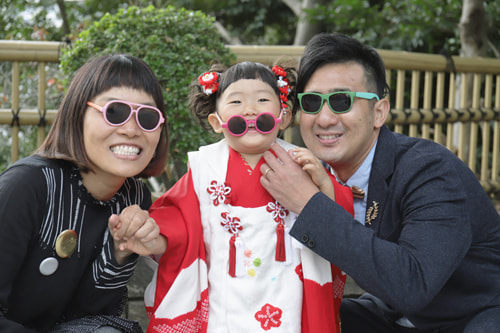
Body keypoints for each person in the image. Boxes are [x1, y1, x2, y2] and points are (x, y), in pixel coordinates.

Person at [259, 32, 500, 332]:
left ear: (379, 112)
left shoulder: (429, 170)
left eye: (341, 100)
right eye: (311, 102)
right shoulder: (309, 171)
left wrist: (310, 204)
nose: (323, 118)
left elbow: (412, 284)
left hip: (472, 314)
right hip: (391, 312)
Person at [144, 61, 354, 333]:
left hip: (290, 290)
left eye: (263, 99)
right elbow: (176, 220)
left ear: (285, 116)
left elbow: (339, 223)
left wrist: (325, 185)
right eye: (236, 101)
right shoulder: (204, 167)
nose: (250, 109)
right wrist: (150, 233)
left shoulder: (303, 163)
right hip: (224, 295)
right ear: (216, 122)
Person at [0, 54, 169, 332]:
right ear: (78, 114)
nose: (131, 129)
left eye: (147, 117)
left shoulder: (134, 197)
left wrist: (118, 253)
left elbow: (93, 315)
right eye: (115, 112)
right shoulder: (28, 185)